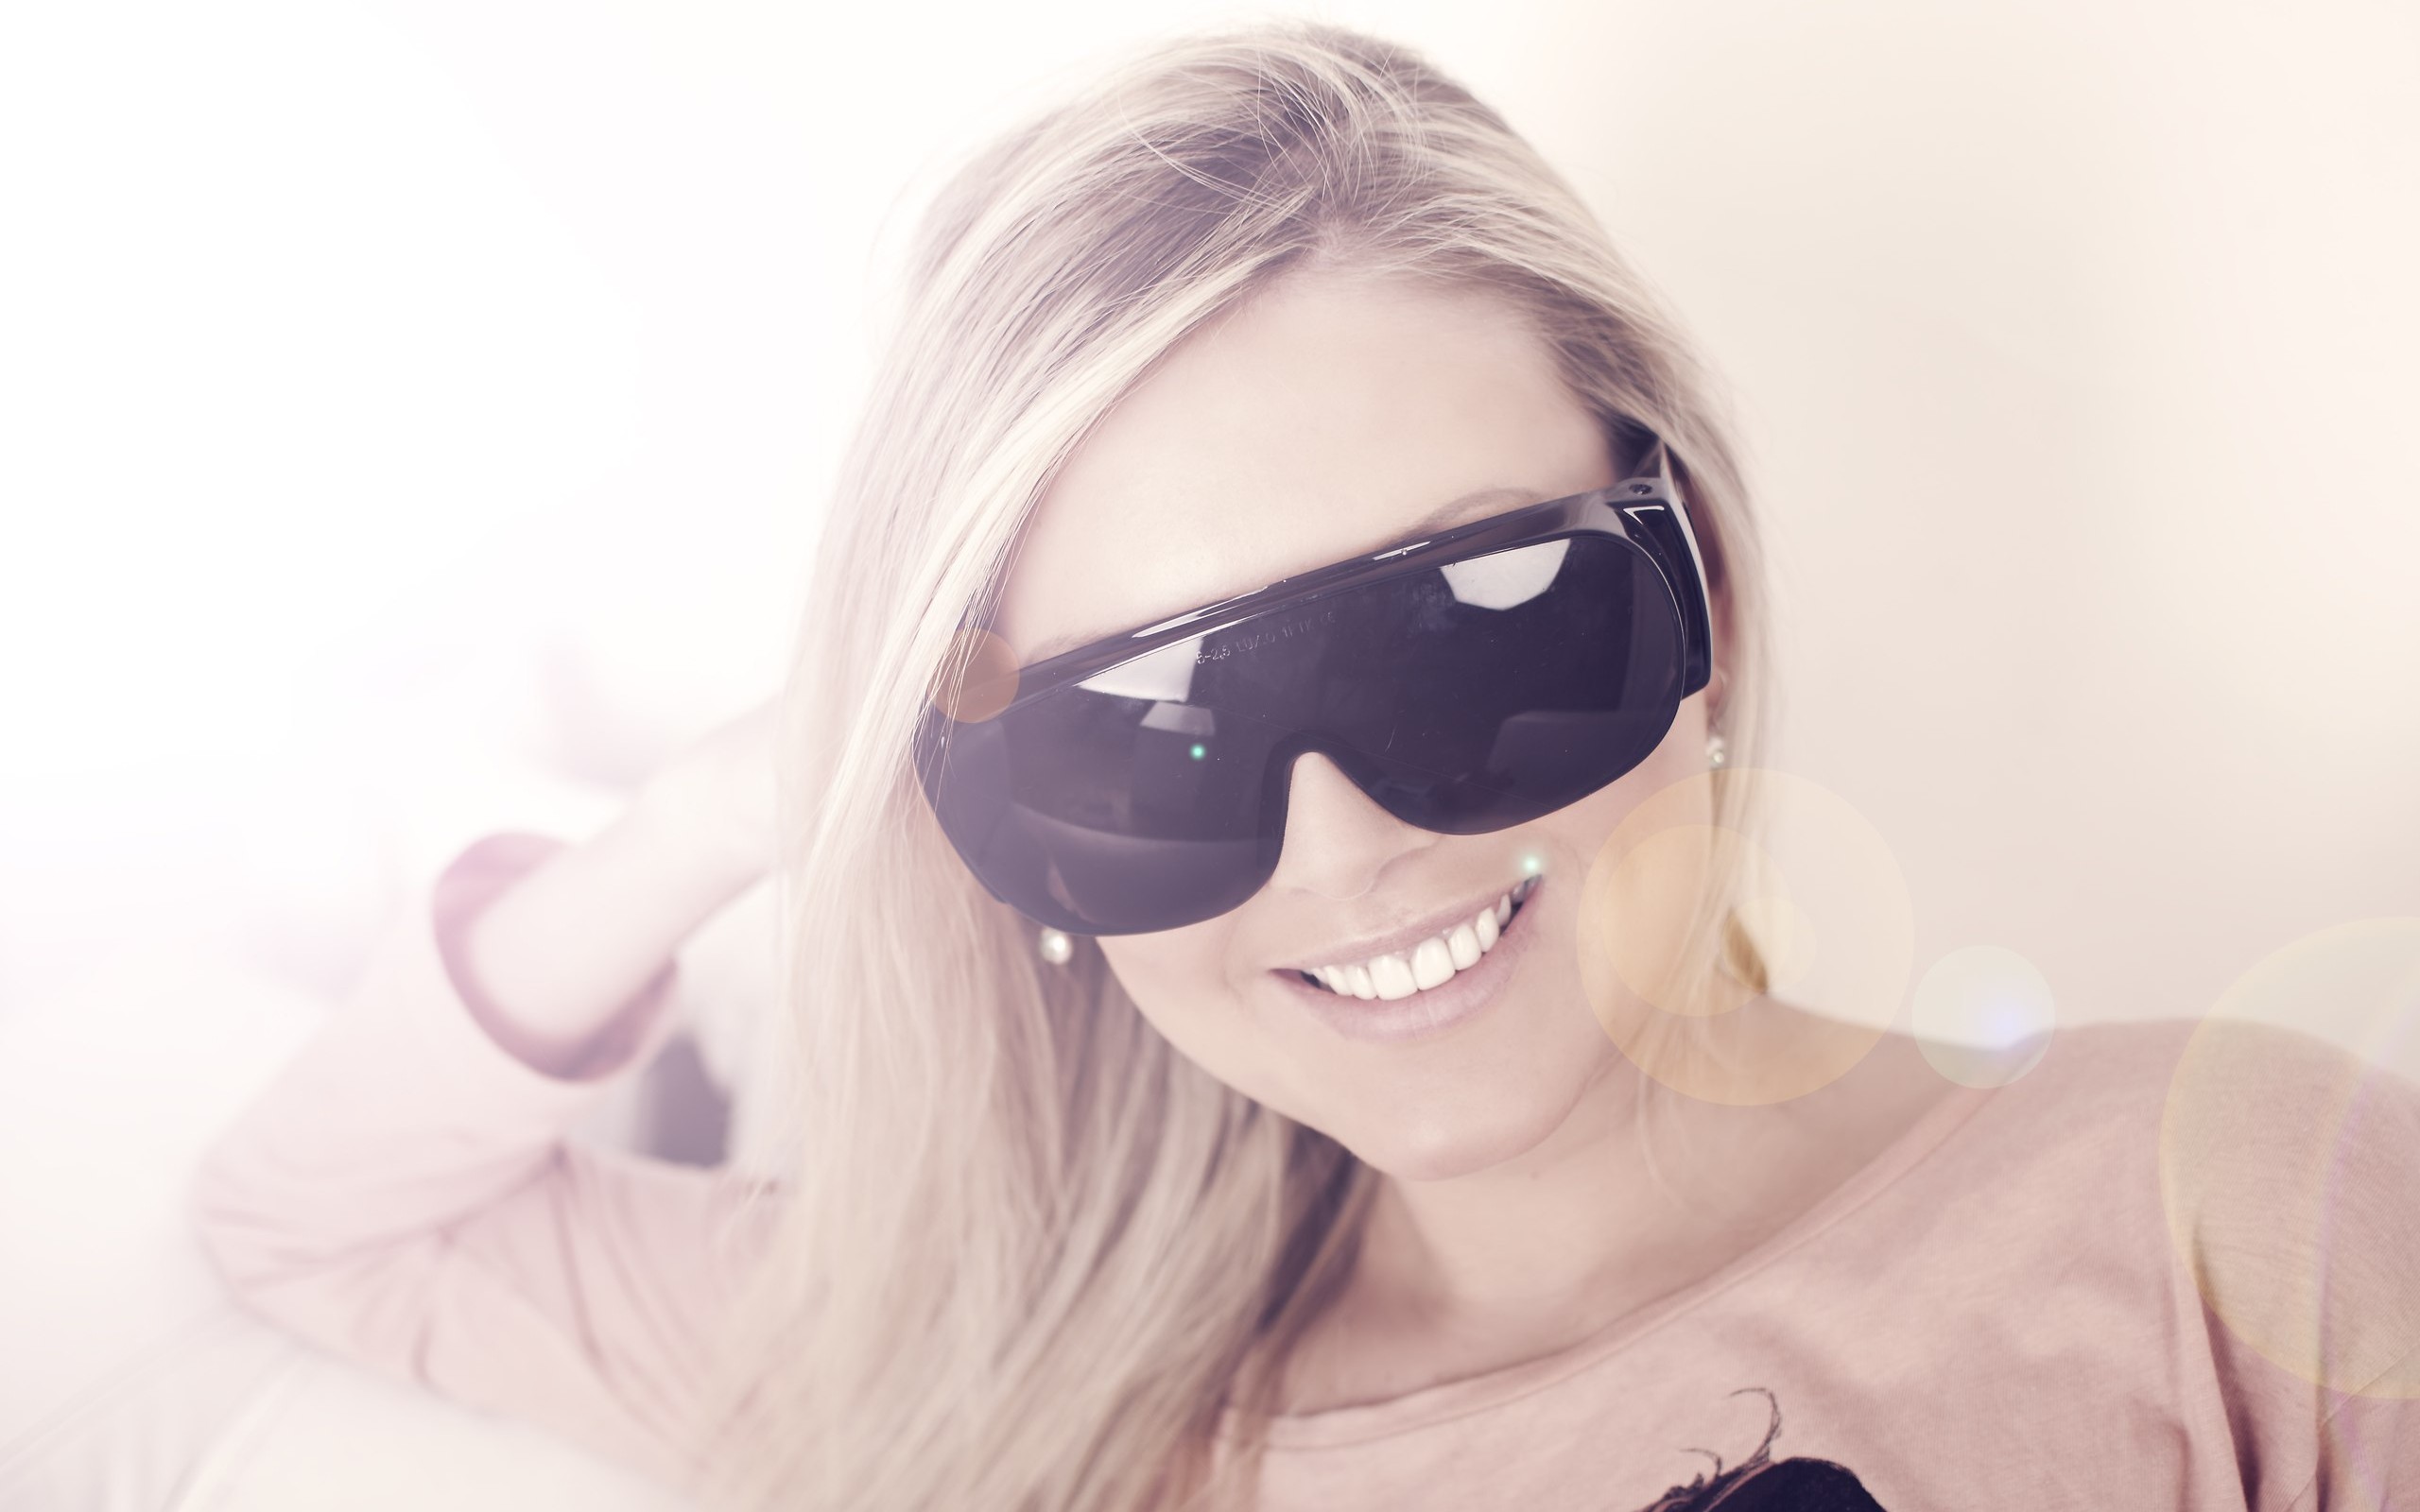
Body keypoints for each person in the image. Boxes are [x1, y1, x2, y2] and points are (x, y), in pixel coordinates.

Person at [192, 21, 2420, 1512]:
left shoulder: (2219, 1210)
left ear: (1701, 600)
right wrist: (741, 796)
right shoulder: (1002, 1381)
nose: (1344, 847)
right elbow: (317, 1218)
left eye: (1470, 632)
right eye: (1144, 739)